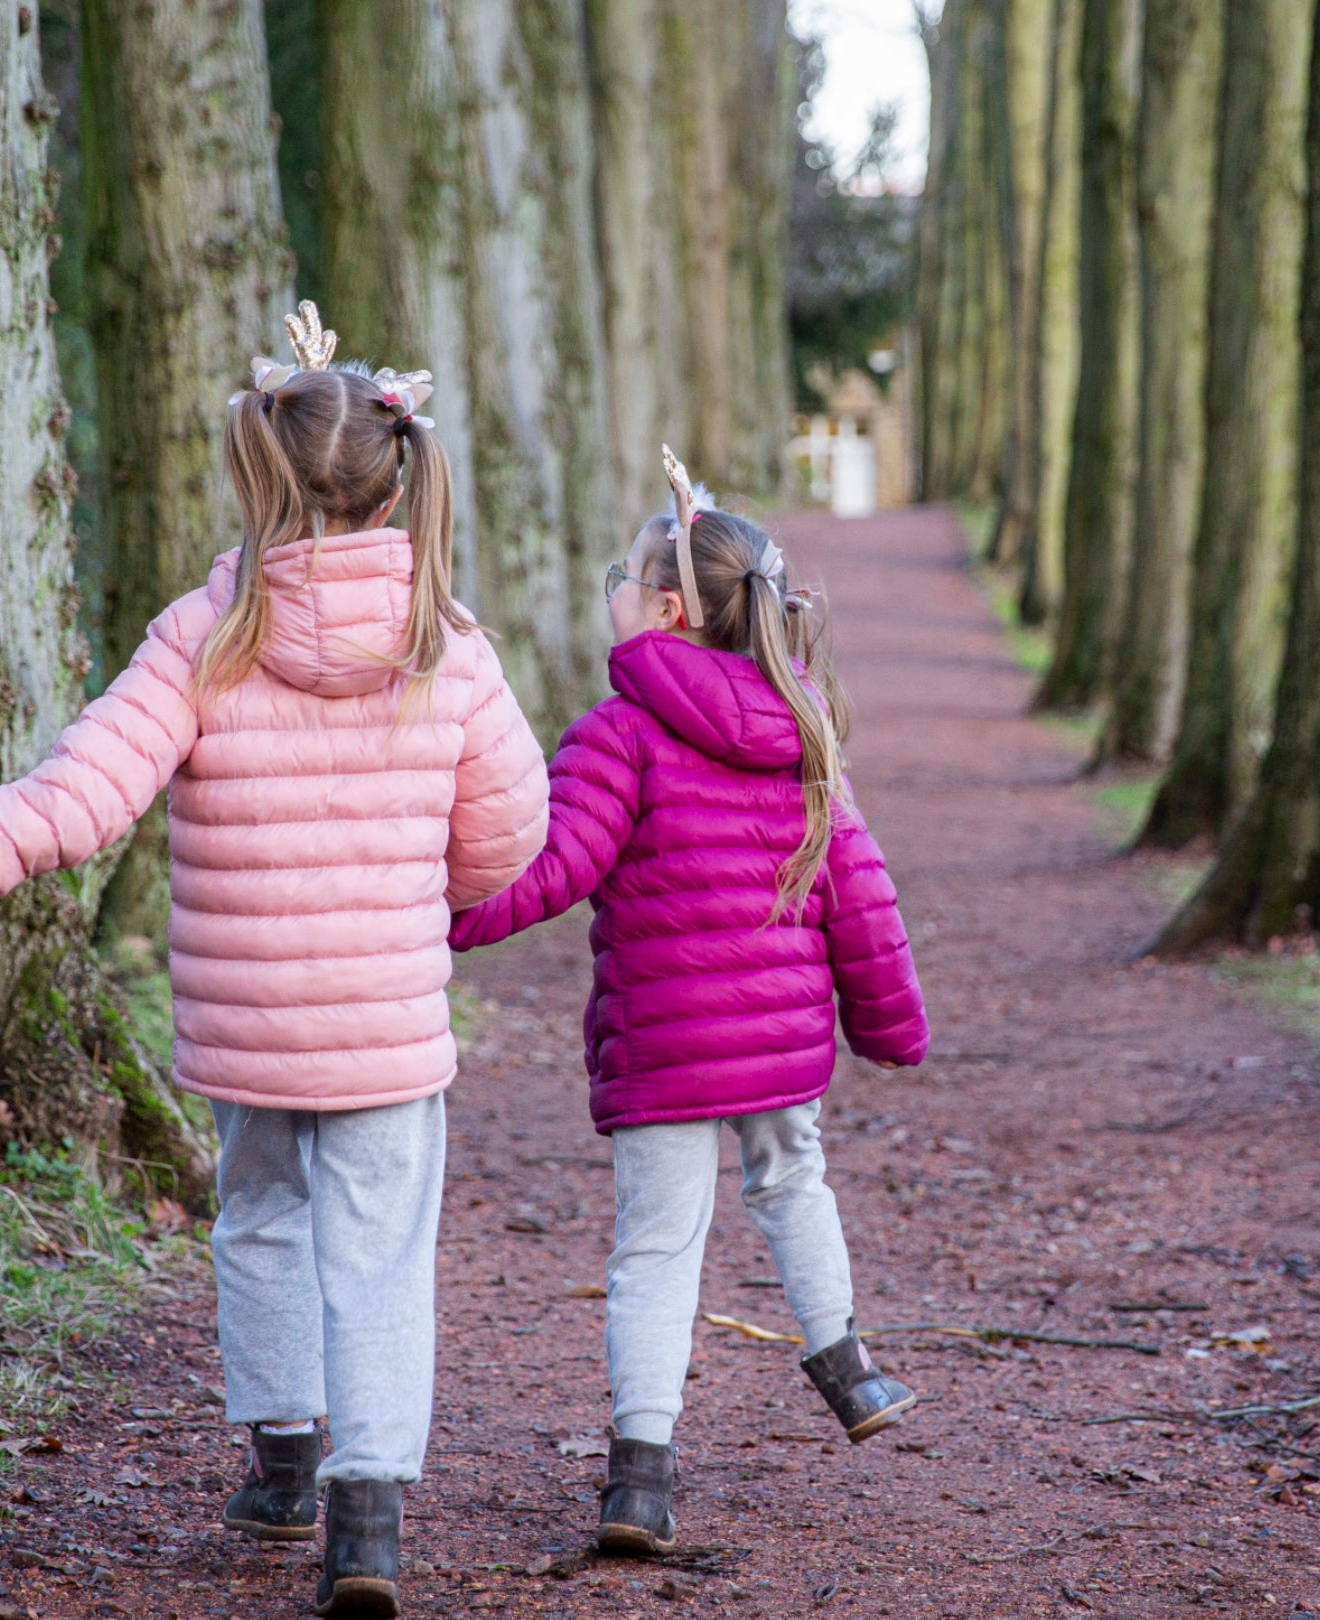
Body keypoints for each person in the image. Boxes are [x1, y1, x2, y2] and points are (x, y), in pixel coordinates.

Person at [0, 304, 547, 1619]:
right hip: (385, 1023)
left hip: (250, 1025)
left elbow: (86, 792)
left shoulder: (209, 633)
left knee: (265, 1220)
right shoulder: (446, 645)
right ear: (399, 476)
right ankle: (370, 1521)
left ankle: (282, 1462)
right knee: (383, 1255)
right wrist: (423, 896)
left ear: (262, 472)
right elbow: (511, 834)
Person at [448, 450, 928, 1557]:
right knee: (793, 1178)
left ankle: (640, 1482)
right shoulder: (800, 731)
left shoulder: (618, 730)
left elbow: (555, 865)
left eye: (624, 573)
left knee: (657, 1249)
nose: (611, 587)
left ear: (663, 608)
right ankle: (848, 1368)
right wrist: (891, 1024)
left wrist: (442, 914)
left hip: (668, 1046)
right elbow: (857, 888)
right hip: (781, 1042)